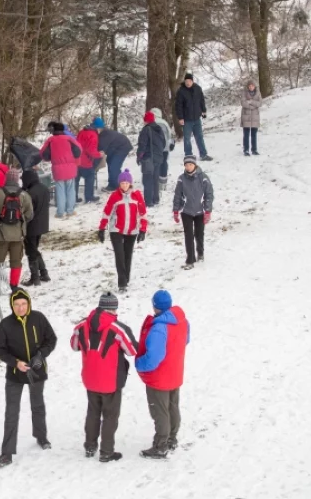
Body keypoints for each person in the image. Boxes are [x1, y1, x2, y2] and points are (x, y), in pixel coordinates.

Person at [0, 288, 58, 468]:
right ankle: (6, 453)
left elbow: (51, 339)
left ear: (28, 304)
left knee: (38, 405)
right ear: (12, 306)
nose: (21, 308)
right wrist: (16, 363)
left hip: (37, 370)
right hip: (15, 374)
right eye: (17, 304)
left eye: (23, 304)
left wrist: (41, 355)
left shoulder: (39, 318)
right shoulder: (6, 324)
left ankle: (41, 436)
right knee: (11, 412)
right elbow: (0, 349)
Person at [70, 292, 138, 462]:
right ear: (114, 308)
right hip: (111, 380)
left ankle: (90, 446)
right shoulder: (118, 328)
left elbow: (74, 346)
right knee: (110, 415)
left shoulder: (81, 326)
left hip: (90, 378)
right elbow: (132, 350)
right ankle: (106, 451)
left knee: (93, 412)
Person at [136, 289, 189, 459]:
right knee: (173, 407)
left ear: (155, 306)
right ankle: (172, 439)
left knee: (160, 412)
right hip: (175, 372)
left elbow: (153, 358)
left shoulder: (159, 328)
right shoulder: (182, 321)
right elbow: (185, 340)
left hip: (160, 377)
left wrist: (139, 364)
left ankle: (161, 445)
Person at [98, 170, 147, 291]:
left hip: (132, 230)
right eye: (122, 183)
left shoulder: (137, 196)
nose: (124, 185)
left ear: (130, 183)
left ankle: (126, 278)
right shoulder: (114, 196)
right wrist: (102, 228)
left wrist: (143, 230)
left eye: (126, 183)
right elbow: (107, 213)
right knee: (119, 256)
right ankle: (122, 283)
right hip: (117, 230)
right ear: (119, 184)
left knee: (127, 255)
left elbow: (142, 213)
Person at [0, 169, 34, 291]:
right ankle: (14, 286)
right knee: (16, 261)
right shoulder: (24, 194)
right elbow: (30, 214)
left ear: (6, 179)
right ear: (17, 179)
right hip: (18, 234)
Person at [173, 155, 214, 269]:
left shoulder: (203, 178)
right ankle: (190, 259)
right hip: (186, 211)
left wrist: (207, 210)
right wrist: (176, 210)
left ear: (195, 165)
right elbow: (177, 195)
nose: (188, 167)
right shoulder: (181, 179)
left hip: (200, 211)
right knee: (188, 235)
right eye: (186, 165)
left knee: (199, 233)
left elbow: (209, 194)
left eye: (190, 164)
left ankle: (200, 252)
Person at [40, 121, 82, 218]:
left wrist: (51, 157)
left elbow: (43, 154)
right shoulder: (69, 139)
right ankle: (70, 211)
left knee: (60, 191)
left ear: (53, 130)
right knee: (71, 190)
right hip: (70, 168)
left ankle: (60, 213)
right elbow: (78, 151)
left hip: (58, 169)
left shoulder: (50, 140)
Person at [22, 168, 51, 287]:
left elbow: (28, 212)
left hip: (32, 226)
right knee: (34, 249)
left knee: (31, 251)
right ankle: (44, 273)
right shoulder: (44, 188)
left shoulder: (30, 193)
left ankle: (35, 278)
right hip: (42, 224)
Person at [174, 72, 212, 161]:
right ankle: (188, 155)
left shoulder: (197, 89)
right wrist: (180, 118)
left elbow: (201, 100)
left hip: (197, 118)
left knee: (199, 137)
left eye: (189, 81)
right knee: (187, 138)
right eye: (186, 81)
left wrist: (203, 110)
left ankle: (203, 155)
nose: (188, 82)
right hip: (187, 120)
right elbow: (178, 105)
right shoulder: (181, 91)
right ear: (184, 81)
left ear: (192, 81)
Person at [137, 111, 166, 207]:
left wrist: (139, 156)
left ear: (146, 120)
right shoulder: (159, 129)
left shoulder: (146, 130)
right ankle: (156, 199)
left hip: (148, 158)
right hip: (158, 158)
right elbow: (164, 143)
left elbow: (142, 145)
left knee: (147, 180)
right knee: (155, 179)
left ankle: (148, 201)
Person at [97, 124, 133, 192]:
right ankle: (112, 184)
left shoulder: (105, 135)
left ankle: (118, 185)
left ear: (100, 128)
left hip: (122, 147)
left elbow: (101, 150)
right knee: (110, 162)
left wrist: (95, 164)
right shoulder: (103, 134)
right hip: (115, 149)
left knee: (114, 166)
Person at [76, 118, 103, 204]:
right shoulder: (93, 135)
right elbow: (91, 150)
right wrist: (99, 155)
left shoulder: (81, 132)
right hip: (86, 161)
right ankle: (89, 197)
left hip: (77, 159)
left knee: (75, 179)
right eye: (101, 128)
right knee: (90, 178)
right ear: (98, 127)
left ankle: (73, 197)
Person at [150, 107, 175, 195]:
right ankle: (163, 183)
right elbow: (170, 134)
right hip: (165, 148)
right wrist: (172, 143)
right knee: (164, 163)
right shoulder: (165, 123)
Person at [240, 80, 262, 156]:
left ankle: (254, 150)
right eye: (249, 86)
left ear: (254, 86)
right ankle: (246, 150)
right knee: (246, 134)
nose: (251, 87)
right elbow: (243, 103)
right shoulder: (244, 93)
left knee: (254, 134)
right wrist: (252, 106)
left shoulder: (258, 93)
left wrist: (251, 101)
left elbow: (260, 103)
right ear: (248, 86)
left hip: (255, 116)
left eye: (252, 86)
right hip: (246, 116)